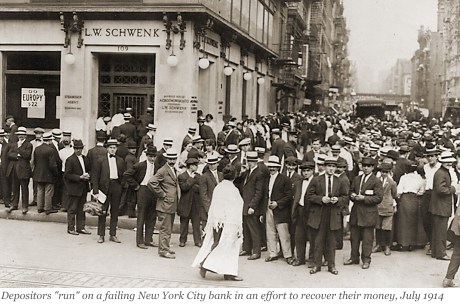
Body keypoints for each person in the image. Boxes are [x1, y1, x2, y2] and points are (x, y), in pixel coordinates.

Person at [191, 164, 244, 281]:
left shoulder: (219, 187)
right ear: (234, 176)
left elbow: (214, 206)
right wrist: (238, 227)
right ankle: (207, 265)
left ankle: (225, 271)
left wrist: (214, 220)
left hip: (217, 221)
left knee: (216, 243)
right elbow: (235, 209)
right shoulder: (233, 190)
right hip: (228, 223)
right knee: (228, 247)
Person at [307, 157, 349, 275]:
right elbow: (309, 196)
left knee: (331, 242)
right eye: (329, 166)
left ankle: (332, 266)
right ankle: (316, 265)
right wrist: (321, 199)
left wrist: (338, 200)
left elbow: (346, 197)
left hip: (333, 214)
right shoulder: (316, 180)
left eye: (333, 166)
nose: (331, 169)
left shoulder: (340, 181)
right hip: (319, 214)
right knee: (318, 241)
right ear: (325, 167)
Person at [345, 157, 383, 269]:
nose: (366, 168)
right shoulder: (357, 179)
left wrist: (364, 198)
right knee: (354, 238)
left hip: (368, 214)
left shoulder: (376, 181)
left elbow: (378, 198)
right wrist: (352, 196)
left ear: (372, 168)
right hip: (356, 213)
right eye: (364, 166)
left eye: (368, 166)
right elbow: (351, 191)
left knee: (367, 239)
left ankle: (366, 259)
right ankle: (354, 257)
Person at [91, 139, 126, 244]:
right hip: (104, 188)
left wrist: (121, 186)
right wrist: (96, 190)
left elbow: (123, 175)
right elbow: (95, 176)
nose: (112, 150)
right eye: (111, 148)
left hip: (116, 186)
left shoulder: (120, 160)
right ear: (107, 148)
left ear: (117, 149)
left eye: (114, 148)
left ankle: (113, 234)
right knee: (102, 211)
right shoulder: (100, 160)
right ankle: (101, 235)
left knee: (115, 212)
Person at [148, 148, 180, 259]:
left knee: (168, 228)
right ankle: (163, 250)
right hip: (165, 205)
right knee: (165, 229)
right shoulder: (163, 170)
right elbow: (151, 182)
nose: (172, 160)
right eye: (170, 159)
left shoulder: (173, 169)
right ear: (166, 158)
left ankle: (165, 247)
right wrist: (162, 194)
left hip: (171, 204)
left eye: (174, 158)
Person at [124, 146, 158, 249]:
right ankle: (140, 241)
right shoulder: (140, 166)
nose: (152, 159)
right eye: (150, 156)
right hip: (143, 190)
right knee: (141, 216)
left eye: (154, 156)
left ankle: (149, 240)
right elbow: (127, 175)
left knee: (152, 216)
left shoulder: (158, 166)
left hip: (154, 191)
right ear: (147, 156)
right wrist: (136, 186)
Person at [263, 155, 294, 264]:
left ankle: (288, 255)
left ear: (278, 167)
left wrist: (278, 203)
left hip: (280, 209)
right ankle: (273, 253)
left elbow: (289, 195)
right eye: (270, 166)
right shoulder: (266, 178)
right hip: (268, 208)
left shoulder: (285, 179)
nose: (272, 169)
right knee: (270, 232)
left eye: (274, 167)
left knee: (283, 233)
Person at [430, 151, 457, 260]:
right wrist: (453, 189)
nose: (449, 164)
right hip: (440, 206)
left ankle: (436, 252)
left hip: (439, 206)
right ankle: (441, 253)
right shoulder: (442, 173)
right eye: (447, 162)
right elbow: (441, 189)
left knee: (437, 230)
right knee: (441, 231)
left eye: (450, 162)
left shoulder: (442, 172)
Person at [394, 161, 425, 252]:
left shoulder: (404, 177)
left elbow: (399, 191)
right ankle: (412, 243)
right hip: (414, 199)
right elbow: (421, 191)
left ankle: (404, 243)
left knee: (403, 222)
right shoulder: (419, 178)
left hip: (405, 199)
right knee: (413, 221)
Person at [64, 140, 91, 236]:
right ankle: (71, 228)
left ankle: (81, 227)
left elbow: (89, 169)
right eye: (76, 148)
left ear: (82, 149)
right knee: (72, 209)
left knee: (81, 209)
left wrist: (88, 175)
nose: (78, 150)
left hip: (83, 187)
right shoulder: (70, 160)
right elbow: (67, 175)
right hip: (74, 188)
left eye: (80, 148)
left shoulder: (85, 158)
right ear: (73, 148)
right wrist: (79, 177)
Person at [5, 127, 32, 214]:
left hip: (24, 169)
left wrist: (20, 148)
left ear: (25, 136)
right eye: (19, 135)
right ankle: (14, 204)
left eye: (22, 135)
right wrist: (18, 155)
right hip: (14, 169)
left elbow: (27, 155)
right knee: (15, 188)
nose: (20, 136)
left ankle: (25, 206)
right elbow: (9, 154)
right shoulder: (13, 144)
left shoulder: (29, 145)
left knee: (24, 188)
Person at [373, 162, 398, 255]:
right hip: (378, 206)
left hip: (388, 206)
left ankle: (387, 246)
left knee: (387, 228)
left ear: (389, 172)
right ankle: (378, 245)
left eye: (386, 172)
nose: (383, 173)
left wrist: (394, 205)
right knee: (378, 227)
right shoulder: (376, 180)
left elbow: (395, 195)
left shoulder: (392, 183)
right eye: (382, 171)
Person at [177, 158, 202, 247]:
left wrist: (192, 185)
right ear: (191, 166)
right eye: (195, 165)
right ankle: (182, 240)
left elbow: (201, 188)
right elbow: (184, 188)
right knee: (184, 223)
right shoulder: (182, 176)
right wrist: (191, 180)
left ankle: (198, 240)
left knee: (196, 223)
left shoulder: (198, 176)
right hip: (185, 203)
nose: (197, 167)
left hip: (196, 203)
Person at [33, 132, 59, 215]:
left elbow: (35, 161)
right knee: (48, 191)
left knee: (40, 190)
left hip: (38, 173)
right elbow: (52, 165)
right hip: (48, 174)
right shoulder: (50, 150)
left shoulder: (37, 148)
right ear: (50, 140)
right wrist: (56, 173)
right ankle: (48, 208)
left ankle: (39, 207)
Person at [198, 153, 223, 229]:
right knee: (207, 230)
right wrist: (209, 209)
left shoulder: (221, 175)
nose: (212, 166)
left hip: (220, 207)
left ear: (217, 164)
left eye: (214, 164)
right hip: (208, 207)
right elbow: (203, 195)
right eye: (210, 164)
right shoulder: (204, 177)